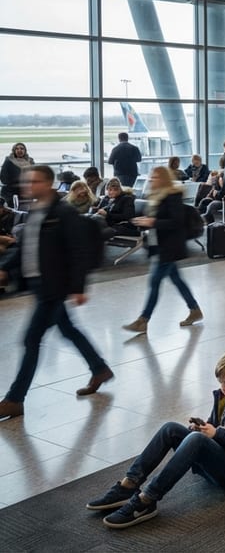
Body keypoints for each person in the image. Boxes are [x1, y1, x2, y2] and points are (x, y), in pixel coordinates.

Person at [84, 350, 225, 529]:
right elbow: (216, 424)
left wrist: (215, 434)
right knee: (170, 428)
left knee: (197, 440)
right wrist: (204, 427)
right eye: (221, 382)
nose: (223, 387)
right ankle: (128, 485)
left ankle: (147, 499)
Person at [0, 165, 113, 420]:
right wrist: (5, 269)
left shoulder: (63, 212)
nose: (30, 186)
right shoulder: (36, 211)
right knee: (68, 330)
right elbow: (24, 248)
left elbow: (78, 250)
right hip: (41, 286)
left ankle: (15, 399)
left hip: (55, 287)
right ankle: (100, 368)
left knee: (31, 340)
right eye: (28, 182)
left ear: (49, 184)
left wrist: (78, 287)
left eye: (36, 181)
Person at [121, 165, 204, 332]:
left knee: (155, 282)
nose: (152, 179)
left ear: (164, 179)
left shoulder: (172, 196)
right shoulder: (155, 196)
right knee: (177, 280)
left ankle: (143, 319)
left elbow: (176, 222)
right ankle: (195, 310)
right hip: (159, 244)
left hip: (170, 246)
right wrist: (148, 220)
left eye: (156, 177)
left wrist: (152, 222)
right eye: (152, 177)